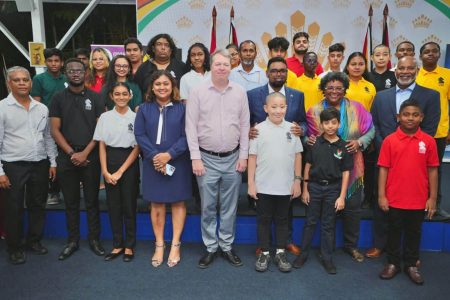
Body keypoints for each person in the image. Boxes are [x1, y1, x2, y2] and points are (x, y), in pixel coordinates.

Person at [368, 56, 440, 259]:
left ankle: (410, 255)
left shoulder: (431, 96)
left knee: (412, 211)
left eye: (410, 68)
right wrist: (387, 146)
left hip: (415, 159)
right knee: (381, 201)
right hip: (386, 156)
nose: (405, 71)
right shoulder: (381, 96)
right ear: (395, 70)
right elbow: (375, 125)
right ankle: (381, 245)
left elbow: (430, 127)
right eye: (401, 68)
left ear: (416, 70)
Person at [186, 49, 250, 269]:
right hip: (206, 159)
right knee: (208, 206)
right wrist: (195, 158)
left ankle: (226, 245)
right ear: (211, 65)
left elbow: (244, 125)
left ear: (231, 66)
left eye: (226, 64)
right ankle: (211, 247)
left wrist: (243, 156)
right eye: (218, 64)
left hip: (233, 159)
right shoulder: (197, 91)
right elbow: (190, 127)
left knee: (230, 206)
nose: (222, 67)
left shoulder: (240, 92)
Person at [307, 72, 374, 263]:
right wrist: (307, 138)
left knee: (352, 209)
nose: (334, 91)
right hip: (324, 172)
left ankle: (351, 246)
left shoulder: (358, 109)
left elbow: (372, 130)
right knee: (324, 213)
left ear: (345, 89)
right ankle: (324, 248)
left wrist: (360, 142)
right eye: (330, 87)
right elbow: (308, 137)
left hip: (350, 170)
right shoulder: (314, 111)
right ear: (323, 89)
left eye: (338, 88)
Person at [248, 56, 306, 256]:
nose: (278, 74)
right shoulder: (254, 94)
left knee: (285, 209)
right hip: (263, 157)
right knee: (263, 211)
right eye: (274, 70)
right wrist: (248, 131)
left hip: (287, 158)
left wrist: (301, 129)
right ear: (267, 73)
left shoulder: (297, 95)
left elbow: (303, 122)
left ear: (287, 73)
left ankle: (286, 242)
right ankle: (263, 244)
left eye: (282, 70)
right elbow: (247, 121)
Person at [50, 58, 106, 260]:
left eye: (79, 70)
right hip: (67, 157)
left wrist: (84, 153)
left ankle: (94, 240)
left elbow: (101, 129)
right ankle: (72, 240)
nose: (75, 73)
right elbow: (54, 130)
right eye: (71, 70)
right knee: (71, 202)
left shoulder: (96, 97)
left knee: (92, 201)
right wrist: (72, 154)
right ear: (66, 73)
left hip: (90, 155)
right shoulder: (58, 98)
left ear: (85, 73)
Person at [378, 100, 439, 285]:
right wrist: (382, 195)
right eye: (406, 114)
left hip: (418, 199)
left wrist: (433, 198)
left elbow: (433, 170)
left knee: (414, 232)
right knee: (394, 232)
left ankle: (411, 264)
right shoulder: (390, 140)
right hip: (394, 198)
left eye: (414, 114)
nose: (410, 118)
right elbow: (383, 169)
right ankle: (393, 263)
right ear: (398, 117)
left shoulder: (428, 141)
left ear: (421, 117)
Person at [0, 66, 57, 264]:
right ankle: (14, 248)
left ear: (31, 83)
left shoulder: (41, 108)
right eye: (17, 80)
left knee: (37, 205)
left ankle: (34, 241)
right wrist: (0, 172)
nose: (22, 83)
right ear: (9, 83)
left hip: (40, 164)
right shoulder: (1, 108)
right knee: (13, 208)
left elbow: (48, 137)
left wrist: (53, 161)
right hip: (12, 166)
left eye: (25, 80)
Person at [135, 70, 192, 268]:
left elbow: (188, 136)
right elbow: (140, 135)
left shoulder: (183, 109)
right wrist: (155, 157)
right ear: (152, 87)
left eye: (166, 84)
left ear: (172, 86)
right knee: (157, 205)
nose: (162, 87)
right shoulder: (143, 109)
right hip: (153, 164)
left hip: (178, 162)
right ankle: (159, 244)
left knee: (177, 203)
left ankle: (175, 244)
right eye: (158, 84)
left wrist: (169, 154)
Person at [294, 107, 353, 274]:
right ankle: (303, 254)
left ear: (339, 124)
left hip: (333, 189)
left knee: (328, 224)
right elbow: (307, 166)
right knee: (310, 222)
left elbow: (346, 172)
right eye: (326, 123)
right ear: (321, 125)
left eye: (334, 122)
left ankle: (327, 257)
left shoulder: (344, 146)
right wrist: (305, 189)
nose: (330, 126)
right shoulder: (314, 143)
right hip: (314, 187)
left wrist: (342, 197)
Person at [94, 82, 140, 262]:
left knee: (129, 205)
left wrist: (120, 171)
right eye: (117, 94)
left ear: (130, 96)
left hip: (129, 162)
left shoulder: (136, 117)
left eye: (124, 94)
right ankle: (117, 244)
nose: (121, 97)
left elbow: (137, 148)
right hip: (109, 160)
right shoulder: (105, 117)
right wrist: (105, 171)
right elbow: (101, 145)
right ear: (112, 96)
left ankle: (129, 245)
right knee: (113, 206)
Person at [416, 42, 450, 217]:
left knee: (436, 168)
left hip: (439, 132)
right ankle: (418, 202)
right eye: (426, 52)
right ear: (421, 56)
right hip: (415, 132)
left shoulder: (447, 75)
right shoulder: (414, 74)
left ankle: (436, 204)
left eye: (434, 51)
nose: (430, 54)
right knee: (417, 168)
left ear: (439, 55)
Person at [30, 47, 67, 206]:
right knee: (49, 160)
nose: (53, 64)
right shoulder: (39, 79)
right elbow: (36, 103)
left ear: (62, 62)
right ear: (46, 62)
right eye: (50, 61)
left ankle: (64, 190)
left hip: (66, 125)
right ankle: (53, 192)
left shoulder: (67, 78)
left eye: (56, 61)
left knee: (63, 159)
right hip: (46, 126)